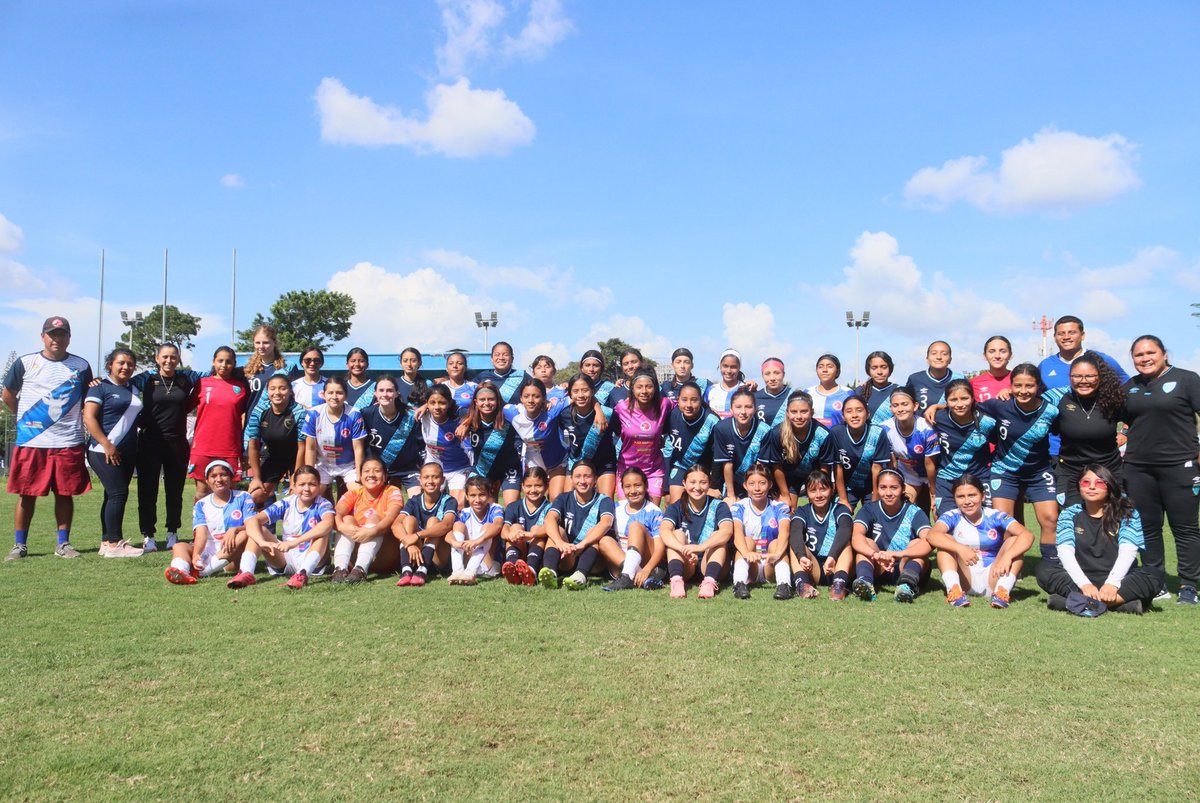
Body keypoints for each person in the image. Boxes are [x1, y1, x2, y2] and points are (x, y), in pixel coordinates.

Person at [3, 316, 93, 561]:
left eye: (62, 334)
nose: (57, 339)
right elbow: (8, 394)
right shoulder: (25, 362)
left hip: (68, 441)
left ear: (69, 338)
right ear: (43, 336)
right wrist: (26, 419)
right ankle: (19, 545)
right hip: (32, 442)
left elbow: (88, 398)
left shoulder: (81, 365)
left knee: (64, 493)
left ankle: (63, 543)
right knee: (26, 494)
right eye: (52, 334)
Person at [1120, 335, 1200, 604]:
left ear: (1164, 354)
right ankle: (1155, 581)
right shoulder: (1130, 387)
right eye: (1139, 355)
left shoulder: (1187, 379)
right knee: (1148, 527)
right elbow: (1123, 423)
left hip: (1180, 466)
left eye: (1150, 353)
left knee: (1185, 528)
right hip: (1138, 469)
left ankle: (1188, 585)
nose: (1145, 359)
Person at [1037, 465, 1164, 615]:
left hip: (1120, 579)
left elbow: (1128, 552)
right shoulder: (1068, 514)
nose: (1091, 487)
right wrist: (1084, 584)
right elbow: (1065, 552)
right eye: (1086, 482)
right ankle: (1118, 604)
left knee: (1154, 575)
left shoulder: (1127, 513)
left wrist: (1112, 584)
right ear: (1079, 486)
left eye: (1099, 483)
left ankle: (1077, 603)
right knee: (1044, 570)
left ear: (1109, 486)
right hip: (1080, 578)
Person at [974, 364, 1060, 561]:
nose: (1023, 391)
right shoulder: (999, 405)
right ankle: (1009, 566)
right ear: (1010, 386)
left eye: (1029, 386)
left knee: (1050, 519)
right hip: (1005, 471)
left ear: (1038, 386)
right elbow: (968, 406)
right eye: (1018, 385)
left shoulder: (1051, 410)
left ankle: (1051, 566)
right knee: (1004, 522)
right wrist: (937, 407)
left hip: (1039, 472)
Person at [925, 474, 1034, 608]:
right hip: (965, 577)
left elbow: (1027, 535)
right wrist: (960, 548)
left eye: (972, 495)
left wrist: (1008, 556)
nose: (967, 501)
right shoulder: (951, 515)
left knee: (1014, 541)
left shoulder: (995, 515)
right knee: (945, 540)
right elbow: (932, 535)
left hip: (994, 575)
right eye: (961, 497)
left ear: (982, 496)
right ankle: (954, 591)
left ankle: (1002, 592)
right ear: (954, 499)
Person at [132, 343, 195, 551]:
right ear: (157, 358)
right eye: (165, 357)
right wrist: (97, 381)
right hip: (150, 442)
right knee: (147, 491)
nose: (169, 361)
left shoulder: (186, 378)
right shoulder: (146, 378)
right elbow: (120, 382)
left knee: (175, 491)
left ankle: (172, 532)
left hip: (177, 443)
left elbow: (212, 374)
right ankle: (148, 534)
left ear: (178, 359)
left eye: (173, 357)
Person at [82, 348, 144, 558]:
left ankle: (106, 542)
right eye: (121, 363)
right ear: (111, 365)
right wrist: (107, 444)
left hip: (127, 452)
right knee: (118, 493)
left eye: (130, 364)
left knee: (111, 495)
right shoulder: (99, 387)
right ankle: (116, 544)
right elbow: (89, 417)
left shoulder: (134, 388)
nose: (126, 367)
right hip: (102, 450)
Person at [1038, 316, 1129, 459]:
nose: (1066, 337)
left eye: (1072, 332)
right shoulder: (1045, 366)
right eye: (1061, 333)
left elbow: (1131, 392)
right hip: (1055, 449)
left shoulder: (1102, 360)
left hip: (1097, 449)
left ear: (1083, 335)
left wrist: (1124, 432)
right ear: (1055, 337)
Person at [1045, 351, 1125, 507]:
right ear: (1070, 377)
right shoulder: (1058, 399)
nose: (1083, 381)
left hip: (1109, 471)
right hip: (1071, 473)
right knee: (1072, 519)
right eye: (1077, 376)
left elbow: (1137, 417)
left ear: (1099, 377)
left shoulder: (1112, 398)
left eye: (1089, 376)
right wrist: (1007, 392)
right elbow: (1029, 403)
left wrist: (1125, 434)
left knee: (1114, 517)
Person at [241, 465, 335, 590]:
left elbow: (328, 523)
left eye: (312, 484)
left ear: (319, 486)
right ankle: (246, 572)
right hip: (285, 558)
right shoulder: (286, 503)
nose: (307, 489)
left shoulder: (323, 503)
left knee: (322, 535)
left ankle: (303, 574)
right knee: (259, 530)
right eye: (302, 484)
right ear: (294, 486)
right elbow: (253, 520)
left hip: (314, 561)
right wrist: (261, 542)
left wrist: (295, 542)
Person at [164, 460, 256, 585]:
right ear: (207, 481)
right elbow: (201, 534)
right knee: (179, 546)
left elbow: (252, 525)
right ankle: (182, 572)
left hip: (232, 552)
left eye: (223, 475)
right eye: (213, 476)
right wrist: (196, 554)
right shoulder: (201, 504)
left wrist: (235, 529)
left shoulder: (243, 497)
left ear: (231, 478)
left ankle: (203, 572)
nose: (219, 479)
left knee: (245, 534)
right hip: (209, 551)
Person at [849, 468, 933, 602]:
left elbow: (930, 541)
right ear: (877, 489)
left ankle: (906, 586)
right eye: (883, 487)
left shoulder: (915, 512)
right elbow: (856, 537)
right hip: (879, 566)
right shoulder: (869, 509)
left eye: (894, 487)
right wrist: (875, 554)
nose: (888, 493)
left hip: (906, 566)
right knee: (866, 543)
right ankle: (865, 583)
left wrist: (899, 554)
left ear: (903, 488)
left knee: (917, 543)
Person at [540, 460, 621, 590]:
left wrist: (582, 545)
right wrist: (560, 543)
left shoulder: (604, 500)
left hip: (594, 560)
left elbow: (606, 523)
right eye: (578, 476)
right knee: (557, 531)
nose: (582, 481)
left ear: (595, 479)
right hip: (567, 555)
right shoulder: (563, 498)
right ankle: (550, 572)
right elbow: (549, 519)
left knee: (595, 535)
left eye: (587, 476)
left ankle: (580, 576)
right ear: (571, 479)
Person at [660, 464, 734, 599]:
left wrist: (700, 547)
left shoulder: (719, 506)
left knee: (718, 536)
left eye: (703, 482)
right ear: (684, 483)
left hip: (711, 563)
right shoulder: (676, 507)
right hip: (687, 564)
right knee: (677, 534)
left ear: (709, 484)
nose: (698, 487)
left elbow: (727, 531)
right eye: (692, 482)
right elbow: (664, 531)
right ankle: (676, 581)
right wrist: (684, 549)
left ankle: (709, 583)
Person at [188, 346, 249, 504]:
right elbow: (182, 408)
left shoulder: (241, 387)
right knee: (202, 493)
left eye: (228, 361)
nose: (224, 365)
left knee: (229, 494)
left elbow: (247, 415)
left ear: (234, 364)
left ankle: (229, 522)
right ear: (213, 362)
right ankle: (199, 522)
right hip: (203, 446)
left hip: (230, 447)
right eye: (220, 361)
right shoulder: (202, 384)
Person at [329, 457, 403, 584]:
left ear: (385, 476)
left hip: (385, 555)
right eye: (366, 471)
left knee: (374, 518)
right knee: (346, 519)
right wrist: (341, 526)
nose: (371, 475)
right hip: (355, 551)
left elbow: (391, 517)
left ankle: (360, 569)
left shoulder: (392, 491)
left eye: (377, 471)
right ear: (361, 476)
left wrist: (373, 531)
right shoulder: (354, 493)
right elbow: (336, 513)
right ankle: (340, 569)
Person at [929, 380, 997, 516]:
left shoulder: (987, 422)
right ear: (946, 401)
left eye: (964, 398)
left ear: (972, 398)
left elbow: (1001, 445)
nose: (959, 404)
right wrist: (934, 407)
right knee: (946, 522)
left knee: (985, 523)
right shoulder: (936, 419)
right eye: (953, 400)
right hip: (947, 479)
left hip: (979, 478)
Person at [758, 390, 835, 507]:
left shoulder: (823, 434)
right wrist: (785, 495)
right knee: (788, 509)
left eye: (804, 411)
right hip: (787, 477)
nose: (799, 416)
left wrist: (818, 490)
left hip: (813, 476)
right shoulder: (777, 433)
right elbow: (776, 466)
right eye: (794, 412)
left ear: (812, 412)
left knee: (818, 508)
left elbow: (824, 468)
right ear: (787, 413)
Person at [729, 463, 793, 600]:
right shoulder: (738, 507)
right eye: (752, 484)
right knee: (747, 541)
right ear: (745, 486)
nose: (757, 488)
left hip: (771, 564)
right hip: (750, 564)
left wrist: (776, 554)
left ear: (770, 484)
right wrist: (746, 553)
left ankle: (784, 585)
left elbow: (785, 530)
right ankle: (739, 584)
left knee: (776, 543)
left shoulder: (780, 507)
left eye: (762, 483)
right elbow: (737, 532)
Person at [788, 469, 854, 600]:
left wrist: (832, 556)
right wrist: (802, 556)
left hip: (836, 565)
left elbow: (845, 529)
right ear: (807, 493)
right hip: (814, 568)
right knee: (794, 545)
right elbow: (795, 532)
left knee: (846, 544)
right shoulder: (803, 511)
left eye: (823, 489)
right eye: (813, 491)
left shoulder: (840, 509)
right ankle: (802, 584)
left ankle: (839, 585)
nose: (818, 495)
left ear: (832, 489)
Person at [612, 368, 674, 504]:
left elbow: (685, 406)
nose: (644, 391)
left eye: (649, 386)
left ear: (655, 388)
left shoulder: (664, 405)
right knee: (627, 513)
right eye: (639, 387)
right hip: (627, 469)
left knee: (652, 513)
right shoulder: (622, 408)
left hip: (653, 471)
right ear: (632, 388)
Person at [245, 374, 306, 509]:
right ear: (267, 391)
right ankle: (258, 522)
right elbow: (253, 445)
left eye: (282, 388)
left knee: (297, 495)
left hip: (296, 457)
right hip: (273, 456)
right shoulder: (259, 410)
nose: (277, 392)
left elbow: (302, 447)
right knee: (255, 495)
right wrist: (256, 478)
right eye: (272, 389)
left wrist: (296, 479)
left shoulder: (299, 412)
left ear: (290, 391)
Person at [394, 462, 458, 587]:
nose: (430, 481)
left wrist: (417, 535)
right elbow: (395, 524)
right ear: (420, 480)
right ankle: (406, 570)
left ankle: (423, 570)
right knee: (408, 520)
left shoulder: (449, 501)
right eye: (426, 477)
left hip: (436, 558)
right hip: (415, 555)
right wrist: (408, 543)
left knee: (434, 522)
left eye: (435, 477)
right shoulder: (414, 501)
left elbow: (447, 524)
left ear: (443, 480)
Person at [602, 467, 667, 591]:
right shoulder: (616, 507)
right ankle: (634, 576)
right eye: (628, 486)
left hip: (648, 563)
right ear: (622, 488)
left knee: (635, 526)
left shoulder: (654, 511)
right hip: (621, 560)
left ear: (646, 486)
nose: (633, 491)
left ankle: (627, 576)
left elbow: (660, 548)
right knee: (604, 540)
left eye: (637, 485)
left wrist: (647, 569)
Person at [503, 378, 572, 495]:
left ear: (544, 398)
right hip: (533, 464)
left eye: (536, 396)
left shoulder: (552, 409)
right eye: (526, 396)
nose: (530, 400)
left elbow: (580, 397)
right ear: (521, 398)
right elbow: (489, 404)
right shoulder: (512, 412)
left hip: (558, 462)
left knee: (555, 499)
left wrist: (598, 411)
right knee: (534, 498)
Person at [301, 375, 367, 497]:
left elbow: (358, 449)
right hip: (323, 465)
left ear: (346, 396)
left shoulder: (354, 414)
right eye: (330, 393)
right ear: (323, 395)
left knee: (360, 496)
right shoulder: (314, 414)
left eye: (339, 393)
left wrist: (359, 477)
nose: (334, 397)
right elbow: (310, 448)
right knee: (310, 496)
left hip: (349, 466)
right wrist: (310, 476)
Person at [458, 382, 523, 506]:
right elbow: (445, 403)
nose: (487, 403)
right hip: (483, 470)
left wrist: (546, 402)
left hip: (509, 469)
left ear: (498, 401)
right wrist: (424, 406)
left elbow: (530, 408)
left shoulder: (509, 415)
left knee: (511, 506)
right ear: (475, 402)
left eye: (491, 399)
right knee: (469, 504)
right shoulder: (468, 418)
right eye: (482, 400)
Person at [361, 375, 424, 497]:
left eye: (389, 390)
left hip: (408, 469)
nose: (385, 394)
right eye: (381, 390)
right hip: (379, 470)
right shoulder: (366, 414)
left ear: (397, 393)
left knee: (417, 500)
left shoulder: (411, 415)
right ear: (375, 393)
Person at [879, 386, 939, 511]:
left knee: (937, 511)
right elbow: (892, 462)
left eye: (905, 404)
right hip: (909, 474)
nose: (900, 409)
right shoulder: (885, 428)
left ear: (915, 406)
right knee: (898, 508)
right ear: (891, 408)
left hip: (934, 475)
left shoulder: (926, 428)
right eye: (895, 405)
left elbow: (930, 464)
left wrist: (933, 493)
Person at [558, 374, 618, 498]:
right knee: (567, 501)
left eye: (585, 390)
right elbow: (565, 439)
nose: (580, 395)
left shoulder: (607, 414)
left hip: (604, 464)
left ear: (592, 391)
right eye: (575, 391)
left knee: (606, 501)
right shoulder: (564, 415)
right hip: (576, 463)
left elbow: (620, 434)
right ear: (570, 394)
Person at [829, 394, 892, 510]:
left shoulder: (877, 433)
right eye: (849, 411)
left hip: (871, 488)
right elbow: (838, 467)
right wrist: (843, 499)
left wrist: (875, 498)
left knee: (872, 516)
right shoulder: (836, 433)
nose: (854, 415)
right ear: (843, 416)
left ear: (867, 414)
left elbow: (877, 468)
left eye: (859, 410)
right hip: (848, 488)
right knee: (840, 515)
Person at [662, 381, 720, 504]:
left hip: (704, 470)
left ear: (700, 400)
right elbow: (667, 449)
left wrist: (713, 486)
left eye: (694, 400)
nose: (689, 405)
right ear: (678, 400)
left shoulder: (712, 420)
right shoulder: (672, 415)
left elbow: (718, 457)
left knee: (701, 505)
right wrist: (666, 489)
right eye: (684, 400)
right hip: (680, 466)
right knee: (674, 504)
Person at [711, 387, 771, 503]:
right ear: (731, 409)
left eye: (748, 407)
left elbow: (760, 467)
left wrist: (753, 494)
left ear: (755, 409)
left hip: (755, 482)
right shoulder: (721, 428)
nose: (743, 412)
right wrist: (731, 495)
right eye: (738, 407)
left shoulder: (764, 430)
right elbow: (727, 464)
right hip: (731, 482)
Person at [418, 384, 473, 503]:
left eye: (442, 403)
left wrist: (466, 424)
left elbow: (477, 413)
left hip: (458, 468)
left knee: (457, 504)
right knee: (430, 503)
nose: (437, 407)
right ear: (427, 403)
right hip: (433, 466)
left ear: (449, 403)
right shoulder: (423, 415)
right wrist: (424, 406)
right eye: (432, 403)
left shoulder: (458, 418)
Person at [448, 476, 504, 585]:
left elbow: (497, 525)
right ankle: (457, 571)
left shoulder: (495, 508)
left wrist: (477, 541)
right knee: (458, 524)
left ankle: (470, 572)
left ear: (489, 494)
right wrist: (456, 543)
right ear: (466, 496)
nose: (477, 500)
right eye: (473, 495)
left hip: (489, 563)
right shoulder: (464, 512)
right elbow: (447, 534)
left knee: (487, 527)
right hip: (468, 557)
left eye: (482, 495)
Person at [500, 466, 552, 586]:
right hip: (520, 549)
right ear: (522, 486)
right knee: (514, 528)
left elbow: (552, 530)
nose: (533, 490)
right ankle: (513, 567)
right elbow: (504, 530)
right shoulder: (513, 506)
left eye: (538, 485)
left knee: (538, 530)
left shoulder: (551, 507)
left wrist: (531, 534)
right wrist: (510, 535)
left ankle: (531, 571)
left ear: (546, 486)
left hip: (540, 555)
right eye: (528, 486)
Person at [241, 324, 299, 416]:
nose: (261, 346)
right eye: (257, 343)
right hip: (253, 421)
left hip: (280, 420)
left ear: (274, 342)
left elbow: (295, 397)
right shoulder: (248, 370)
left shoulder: (287, 367)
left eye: (266, 342)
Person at [906, 340, 962, 414]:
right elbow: (906, 402)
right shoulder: (915, 379)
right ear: (927, 359)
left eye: (944, 354)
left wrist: (937, 406)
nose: (939, 357)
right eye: (934, 353)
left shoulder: (959, 379)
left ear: (950, 360)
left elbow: (966, 404)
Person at [807, 354, 853, 428]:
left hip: (837, 435)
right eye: (820, 367)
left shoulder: (848, 393)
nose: (824, 370)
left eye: (829, 366)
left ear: (838, 371)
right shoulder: (807, 393)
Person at [704, 348, 748, 418]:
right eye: (725, 366)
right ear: (720, 366)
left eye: (733, 367)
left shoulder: (745, 389)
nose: (728, 371)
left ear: (739, 367)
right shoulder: (711, 390)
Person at [858, 351, 898, 426]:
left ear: (890, 368)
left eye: (884, 367)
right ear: (868, 370)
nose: (879, 372)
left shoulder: (899, 391)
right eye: (874, 368)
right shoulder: (860, 391)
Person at [971, 335, 1013, 403]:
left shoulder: (1020, 381)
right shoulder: (974, 383)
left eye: (1003, 351)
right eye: (992, 351)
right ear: (985, 356)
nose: (997, 356)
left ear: (1010, 355)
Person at [754, 357, 791, 426]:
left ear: (783, 374)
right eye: (767, 374)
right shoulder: (754, 398)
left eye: (777, 373)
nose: (772, 378)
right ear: (762, 376)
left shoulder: (793, 396)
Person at [291, 346, 327, 410]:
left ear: (321, 363)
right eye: (307, 360)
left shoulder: (329, 384)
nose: (312, 363)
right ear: (302, 362)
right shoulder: (293, 385)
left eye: (316, 360)